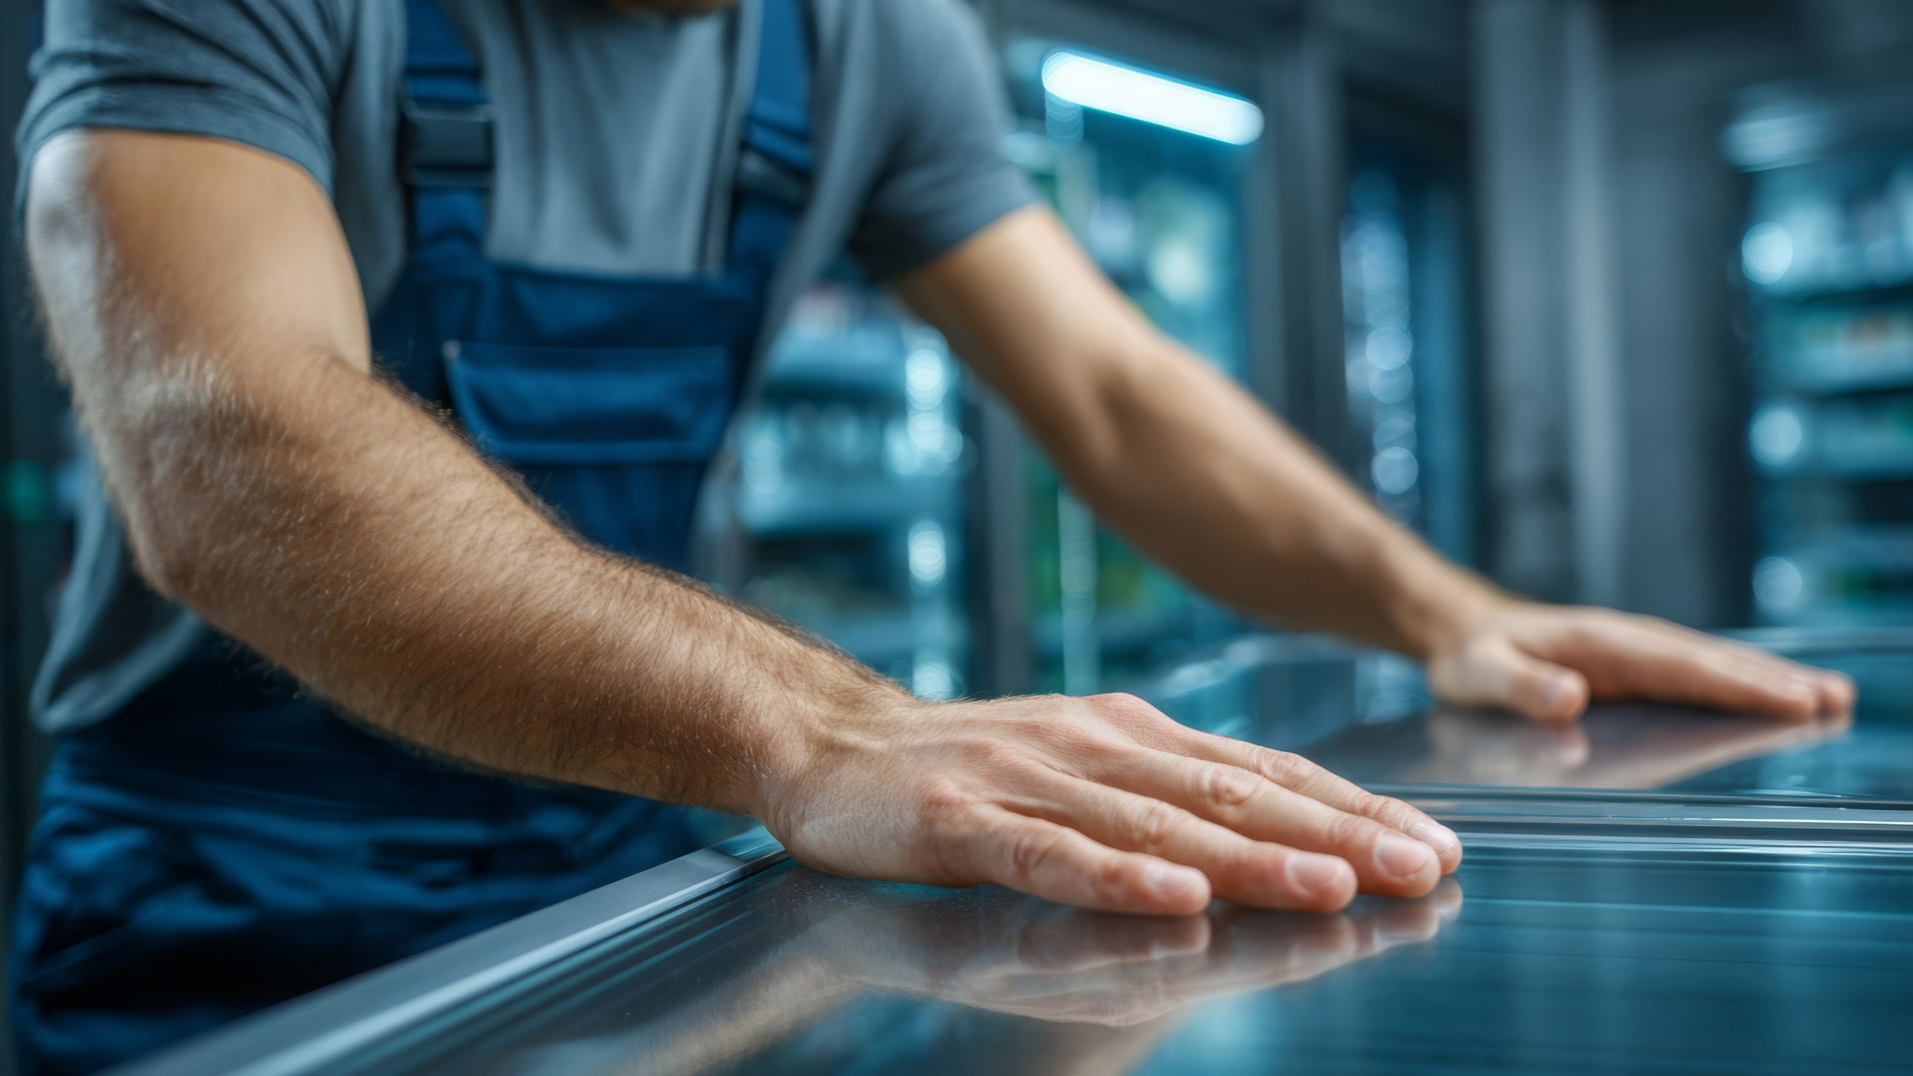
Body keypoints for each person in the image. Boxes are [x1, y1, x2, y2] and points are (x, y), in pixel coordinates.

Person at [9, 0, 1853, 1070]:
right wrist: (822, 730)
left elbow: (1119, 399)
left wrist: (1447, 616)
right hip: (213, 879)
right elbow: (221, 435)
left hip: (611, 864)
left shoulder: (867, 39)